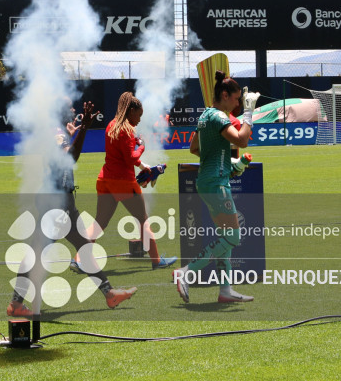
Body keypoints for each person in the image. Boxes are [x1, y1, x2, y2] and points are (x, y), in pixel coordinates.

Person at [7, 101, 137, 317]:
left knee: (79, 248)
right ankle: (16, 303)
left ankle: (109, 293)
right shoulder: (57, 133)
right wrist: (84, 127)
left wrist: (73, 133)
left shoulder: (58, 130)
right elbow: (70, 158)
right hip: (57, 203)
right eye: (70, 107)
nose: (74, 110)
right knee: (41, 252)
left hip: (59, 200)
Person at [174, 71, 259, 304]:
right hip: (216, 184)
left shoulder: (205, 116)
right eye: (236, 100)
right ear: (224, 94)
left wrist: (225, 162)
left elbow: (194, 147)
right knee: (233, 236)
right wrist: (249, 114)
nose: (237, 104)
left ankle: (225, 290)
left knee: (226, 236)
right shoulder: (219, 117)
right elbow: (242, 140)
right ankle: (186, 273)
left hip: (210, 180)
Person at [91, 91, 177, 270]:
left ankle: (79, 258)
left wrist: (141, 164)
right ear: (131, 111)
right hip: (123, 182)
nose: (139, 120)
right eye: (138, 115)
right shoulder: (127, 129)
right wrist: (142, 146)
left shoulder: (111, 125)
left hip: (105, 179)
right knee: (143, 220)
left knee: (100, 222)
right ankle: (156, 260)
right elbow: (130, 157)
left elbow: (122, 155)